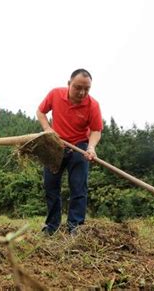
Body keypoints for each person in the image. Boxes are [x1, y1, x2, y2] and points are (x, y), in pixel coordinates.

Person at [36, 68, 103, 235]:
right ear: (69, 84)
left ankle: (75, 227)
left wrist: (91, 147)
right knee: (51, 186)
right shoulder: (55, 94)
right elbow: (41, 112)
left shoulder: (93, 105)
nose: (82, 92)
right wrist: (47, 130)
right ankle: (52, 226)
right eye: (77, 87)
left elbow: (96, 130)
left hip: (79, 146)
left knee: (78, 187)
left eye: (86, 89)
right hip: (56, 145)